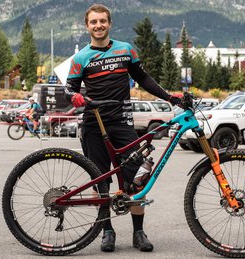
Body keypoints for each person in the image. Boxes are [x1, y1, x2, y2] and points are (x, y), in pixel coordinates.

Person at [64, 3, 181, 253]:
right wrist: (75, 97)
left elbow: (144, 79)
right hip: (94, 126)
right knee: (101, 183)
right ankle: (107, 231)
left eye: (102, 21)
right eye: (93, 22)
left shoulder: (125, 50)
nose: (98, 25)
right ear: (87, 26)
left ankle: (138, 232)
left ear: (110, 23)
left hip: (123, 123)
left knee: (137, 180)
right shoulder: (81, 57)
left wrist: (170, 97)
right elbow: (69, 89)